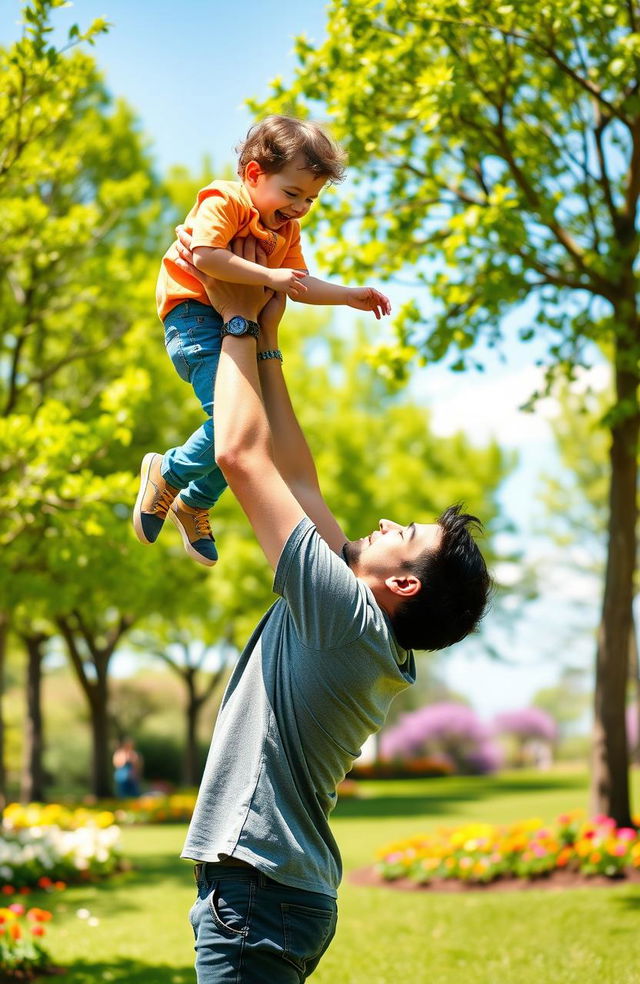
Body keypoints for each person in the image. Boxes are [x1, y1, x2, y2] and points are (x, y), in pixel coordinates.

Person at [171, 230, 492, 983]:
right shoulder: (359, 619)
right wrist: (273, 346)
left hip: (258, 893)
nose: (383, 523)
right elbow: (301, 483)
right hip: (279, 892)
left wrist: (237, 323)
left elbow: (243, 459)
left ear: (404, 584)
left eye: (401, 533)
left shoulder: (344, 619)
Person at [133, 115, 391, 567]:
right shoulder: (225, 199)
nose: (300, 208)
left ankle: (195, 500)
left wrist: (349, 296)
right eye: (292, 193)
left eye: (311, 199)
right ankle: (168, 471)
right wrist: (267, 275)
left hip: (232, 324)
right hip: (194, 318)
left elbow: (299, 282)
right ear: (254, 174)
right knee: (236, 426)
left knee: (256, 432)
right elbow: (206, 255)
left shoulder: (285, 230)